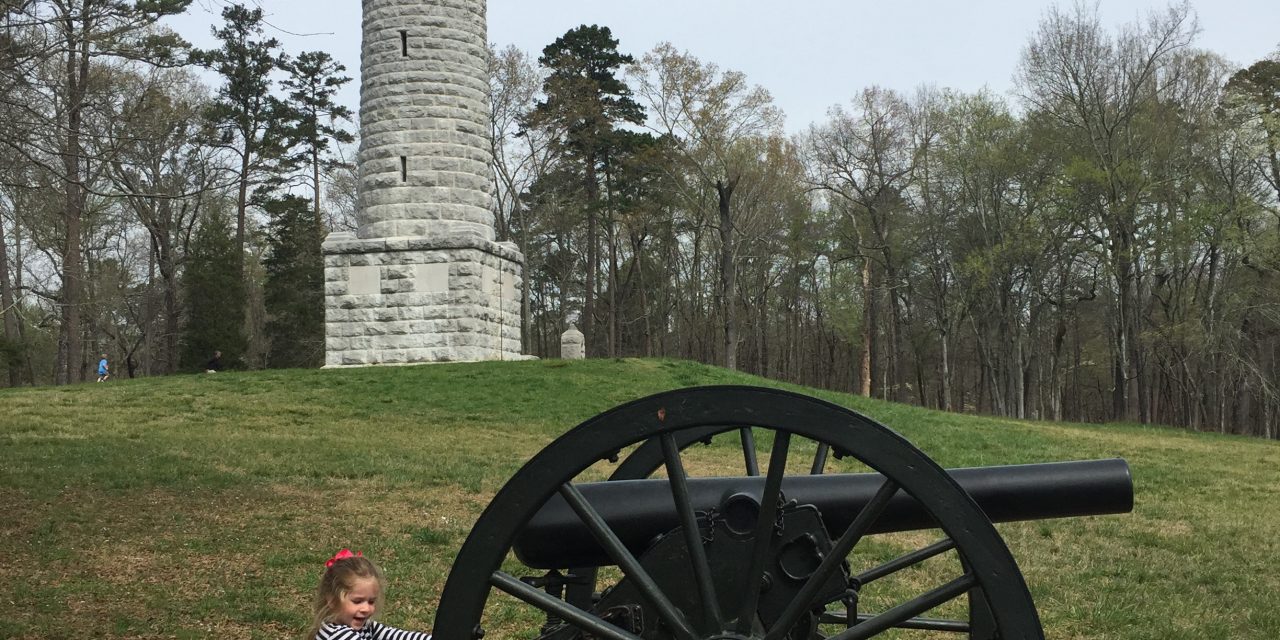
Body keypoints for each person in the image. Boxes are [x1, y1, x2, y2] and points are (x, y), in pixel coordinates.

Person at [308, 549, 431, 640]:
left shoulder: (365, 626)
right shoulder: (335, 635)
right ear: (332, 601)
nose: (366, 608)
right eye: (357, 601)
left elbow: (395, 635)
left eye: (371, 601)